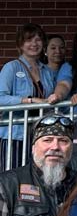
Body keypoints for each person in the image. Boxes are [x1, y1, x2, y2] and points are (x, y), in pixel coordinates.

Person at [0, 113, 77, 216]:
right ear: (34, 147)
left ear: (71, 148)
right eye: (47, 140)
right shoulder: (8, 184)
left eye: (63, 141)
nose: (55, 147)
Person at [0, 23, 68, 169]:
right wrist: (29, 100)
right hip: (15, 134)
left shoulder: (47, 71)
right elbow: (1, 98)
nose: (34, 44)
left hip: (40, 134)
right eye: (29, 40)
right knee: (12, 175)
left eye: (38, 40)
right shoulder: (11, 67)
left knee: (37, 176)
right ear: (20, 44)